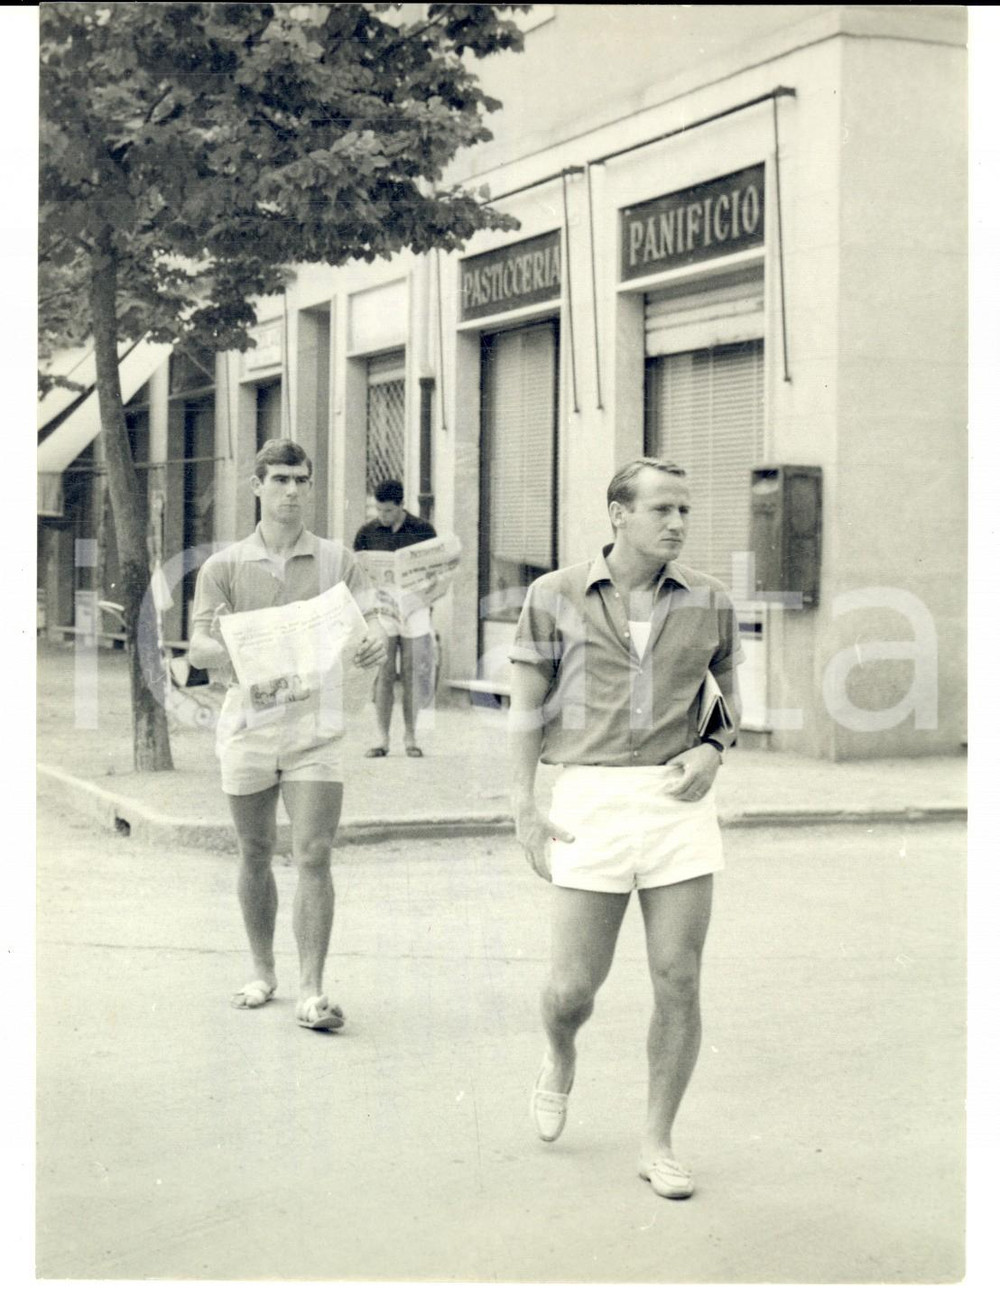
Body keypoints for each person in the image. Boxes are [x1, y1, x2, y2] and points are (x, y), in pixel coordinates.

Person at [508, 457, 742, 1200]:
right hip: (589, 798)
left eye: (684, 511)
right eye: (662, 510)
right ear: (618, 513)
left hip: (677, 803)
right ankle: (560, 1052)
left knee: (679, 976)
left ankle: (658, 1140)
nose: (677, 523)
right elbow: (524, 707)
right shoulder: (554, 595)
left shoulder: (708, 598)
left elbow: (730, 699)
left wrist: (712, 750)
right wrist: (523, 804)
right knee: (574, 987)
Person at [188, 439, 387, 1033]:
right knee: (253, 852)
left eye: (301, 480)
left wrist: (375, 638)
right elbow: (196, 647)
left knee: (315, 853)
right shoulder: (223, 567)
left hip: (315, 729)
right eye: (279, 480)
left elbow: (371, 620)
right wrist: (231, 642)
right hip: (248, 726)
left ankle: (312, 990)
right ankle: (261, 970)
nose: (292, 492)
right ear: (256, 486)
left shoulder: (336, 560)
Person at [353, 479, 437, 758]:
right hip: (383, 609)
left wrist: (423, 597)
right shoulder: (366, 533)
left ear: (401, 506)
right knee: (383, 673)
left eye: (388, 511)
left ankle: (411, 737)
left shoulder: (423, 531)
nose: (382, 516)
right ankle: (382, 738)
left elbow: (438, 575)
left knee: (413, 673)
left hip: (416, 608)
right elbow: (357, 575)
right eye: (379, 510)